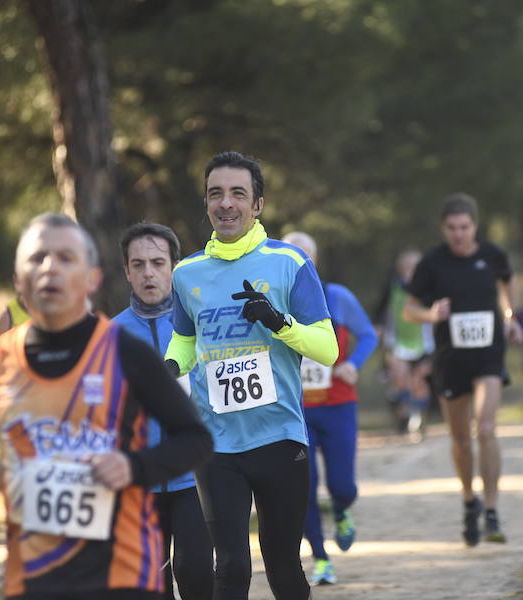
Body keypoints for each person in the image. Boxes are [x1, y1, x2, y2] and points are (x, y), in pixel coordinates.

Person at [0, 213, 213, 600]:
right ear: (17, 280)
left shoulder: (125, 352)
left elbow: (195, 438)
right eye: (37, 258)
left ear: (92, 278)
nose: (50, 268)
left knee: (195, 573)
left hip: (122, 566)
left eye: (66, 258)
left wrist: (134, 466)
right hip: (35, 574)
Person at [164, 151, 338, 600]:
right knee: (232, 568)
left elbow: (328, 349)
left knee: (282, 565)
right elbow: (185, 340)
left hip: (279, 438)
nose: (226, 204)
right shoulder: (186, 274)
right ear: (206, 204)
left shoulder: (290, 263)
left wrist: (279, 322)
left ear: (257, 205)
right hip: (217, 445)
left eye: (238, 194)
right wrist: (168, 366)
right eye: (215, 194)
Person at [403, 192, 523, 547]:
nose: (459, 234)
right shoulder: (432, 263)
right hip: (450, 358)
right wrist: (431, 314)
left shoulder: (492, 255)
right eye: (452, 228)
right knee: (460, 439)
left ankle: (491, 509)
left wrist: (510, 318)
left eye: (465, 227)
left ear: (475, 226)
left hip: (488, 354)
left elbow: (506, 283)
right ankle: (469, 499)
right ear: (444, 228)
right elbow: (410, 310)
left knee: (485, 428)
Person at [111, 222, 213, 600]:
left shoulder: (202, 326)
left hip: (195, 480)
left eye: (157, 262)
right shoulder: (109, 336)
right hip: (138, 483)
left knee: (198, 574)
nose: (148, 273)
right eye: (138, 265)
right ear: (126, 271)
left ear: (175, 266)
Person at [282, 231, 378, 586]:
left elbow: (368, 334)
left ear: (315, 261)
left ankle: (341, 510)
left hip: (338, 406)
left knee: (343, 486)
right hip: (297, 410)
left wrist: (354, 363)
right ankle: (321, 558)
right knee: (304, 487)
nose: (298, 261)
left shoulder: (336, 297)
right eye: (291, 254)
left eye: (304, 254)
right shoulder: (275, 300)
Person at [373, 249, 435, 437]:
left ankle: (420, 419)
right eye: (407, 267)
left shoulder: (430, 288)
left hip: (425, 344)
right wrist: (378, 328)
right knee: (400, 381)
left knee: (419, 382)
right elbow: (380, 311)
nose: (411, 271)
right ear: (400, 269)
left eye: (415, 267)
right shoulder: (392, 287)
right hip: (397, 343)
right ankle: (402, 416)